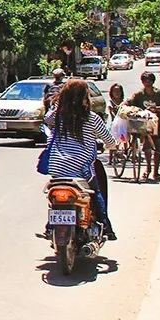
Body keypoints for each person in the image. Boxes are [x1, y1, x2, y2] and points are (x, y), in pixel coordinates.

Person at [44, 79, 116, 240]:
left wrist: (57, 106)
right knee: (96, 193)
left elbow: (47, 120)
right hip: (81, 169)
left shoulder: (57, 116)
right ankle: (106, 227)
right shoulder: (92, 118)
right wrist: (114, 146)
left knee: (55, 198)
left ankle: (50, 226)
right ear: (85, 97)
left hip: (57, 167)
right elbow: (110, 141)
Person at [126, 71, 160, 182]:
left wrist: (156, 109)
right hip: (144, 126)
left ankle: (156, 172)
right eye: (145, 80)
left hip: (157, 125)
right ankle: (148, 168)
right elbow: (129, 102)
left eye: (149, 80)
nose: (147, 82)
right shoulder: (139, 94)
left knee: (158, 150)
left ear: (153, 81)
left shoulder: (159, 93)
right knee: (147, 149)